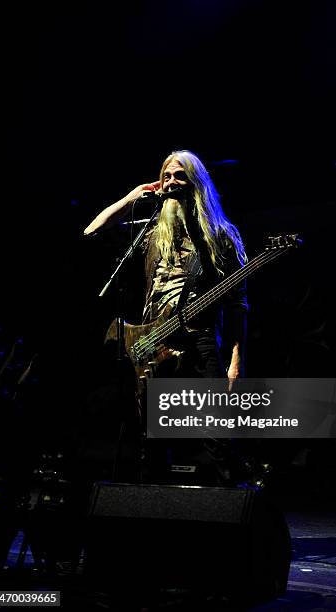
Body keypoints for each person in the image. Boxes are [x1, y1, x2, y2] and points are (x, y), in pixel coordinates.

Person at [83, 149, 249, 484]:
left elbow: (237, 304)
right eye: (167, 176)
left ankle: (236, 498)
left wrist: (235, 361)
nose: (172, 183)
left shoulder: (221, 235)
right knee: (151, 432)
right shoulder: (150, 231)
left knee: (215, 426)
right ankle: (154, 504)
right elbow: (92, 231)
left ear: (196, 183)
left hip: (201, 337)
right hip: (153, 337)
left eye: (179, 176)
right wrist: (134, 195)